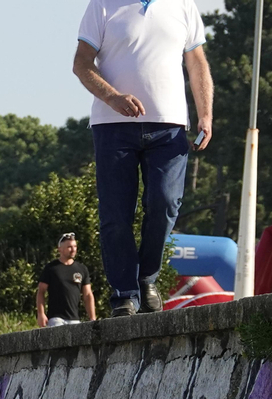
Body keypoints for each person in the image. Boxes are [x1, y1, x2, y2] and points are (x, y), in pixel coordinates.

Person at [75, 0, 212, 315]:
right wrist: (112, 97)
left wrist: (206, 114)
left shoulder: (183, 6)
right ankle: (125, 293)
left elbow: (197, 63)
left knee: (165, 202)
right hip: (113, 126)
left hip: (170, 126)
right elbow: (81, 63)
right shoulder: (104, 5)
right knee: (116, 215)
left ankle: (147, 278)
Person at [37, 233, 98, 327]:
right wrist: (41, 314)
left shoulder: (81, 269)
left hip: (75, 319)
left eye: (75, 246)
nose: (73, 249)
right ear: (60, 249)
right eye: (69, 247)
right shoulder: (51, 268)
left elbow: (88, 295)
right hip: (56, 319)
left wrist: (92, 318)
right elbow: (41, 292)